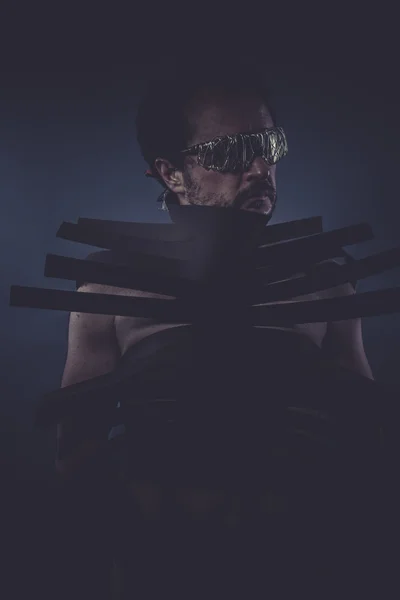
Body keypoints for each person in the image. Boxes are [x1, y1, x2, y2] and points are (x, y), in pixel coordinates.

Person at [56, 65, 376, 597]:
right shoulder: (111, 289)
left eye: (268, 145)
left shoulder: (326, 283)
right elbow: (76, 451)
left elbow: (368, 440)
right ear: (172, 173)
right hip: (154, 571)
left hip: (300, 570)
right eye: (230, 153)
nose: (258, 169)